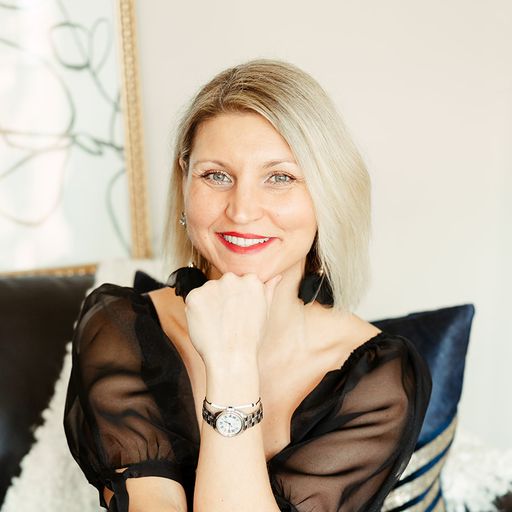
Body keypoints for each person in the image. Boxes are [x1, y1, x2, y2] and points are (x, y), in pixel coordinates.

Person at [64, 58, 432, 512]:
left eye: (280, 177)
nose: (242, 210)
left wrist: (232, 366)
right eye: (216, 175)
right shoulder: (121, 328)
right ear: (185, 182)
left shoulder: (381, 378)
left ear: (327, 195)